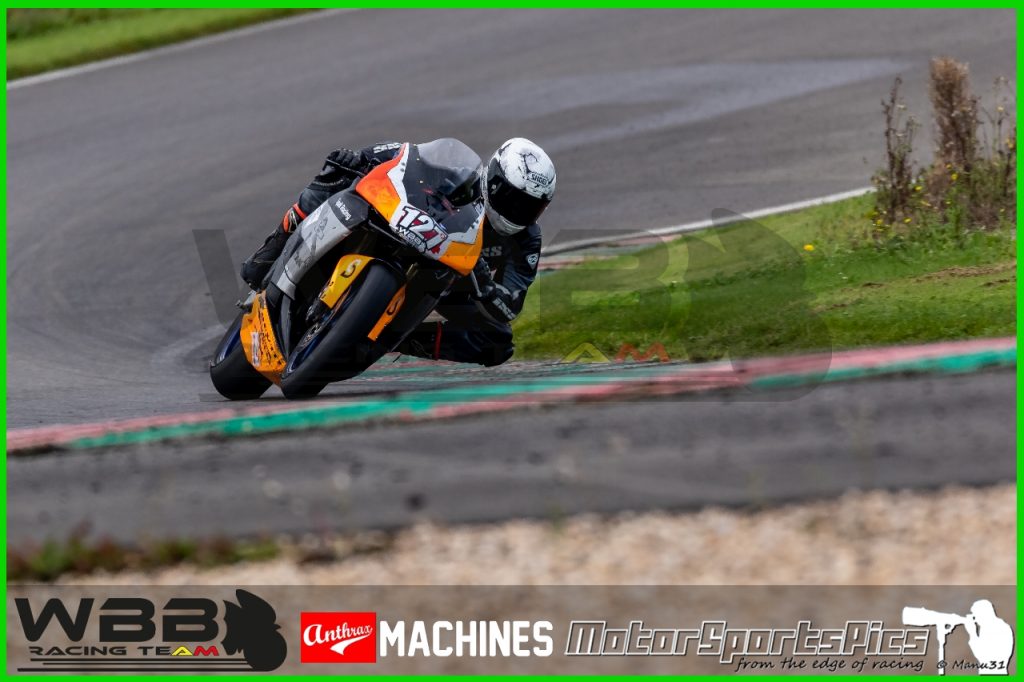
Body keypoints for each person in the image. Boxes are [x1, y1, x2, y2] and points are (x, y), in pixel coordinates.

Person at [240, 138, 556, 367]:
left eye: (532, 208)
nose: (521, 213)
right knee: (333, 177)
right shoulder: (456, 172)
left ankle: (396, 336)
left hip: (446, 281)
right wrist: (357, 160)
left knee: (497, 343)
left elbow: (511, 304)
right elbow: (402, 156)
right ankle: (268, 255)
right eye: (515, 200)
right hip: (395, 224)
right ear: (494, 181)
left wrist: (485, 286)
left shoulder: (526, 240)